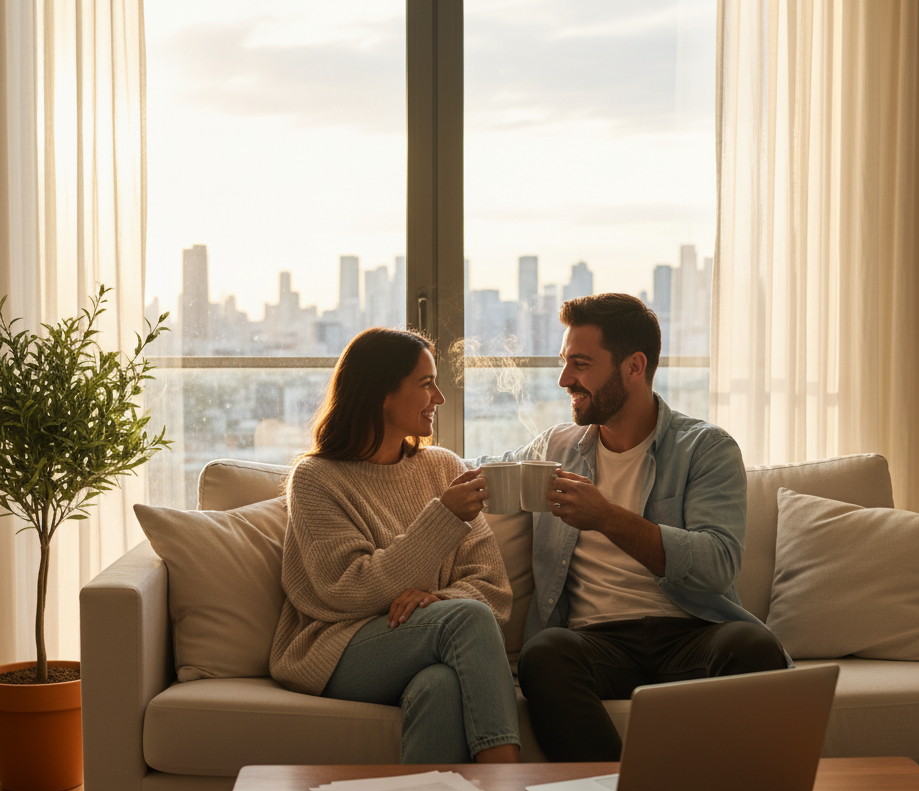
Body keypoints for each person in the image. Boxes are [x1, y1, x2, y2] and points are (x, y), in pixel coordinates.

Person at [484, 293, 788, 762]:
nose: (565, 379)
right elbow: (486, 471)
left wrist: (606, 515)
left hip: (690, 633)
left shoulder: (705, 449)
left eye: (580, 364)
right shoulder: (557, 449)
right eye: (565, 363)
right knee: (544, 655)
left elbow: (717, 563)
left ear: (634, 366)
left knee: (753, 646)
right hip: (597, 642)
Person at [270, 327, 520, 764]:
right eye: (426, 384)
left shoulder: (444, 468)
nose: (439, 398)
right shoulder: (316, 479)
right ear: (383, 393)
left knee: (440, 686)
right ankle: (508, 784)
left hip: (423, 641)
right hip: (338, 649)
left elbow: (492, 588)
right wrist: (442, 519)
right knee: (466, 619)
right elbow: (347, 589)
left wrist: (436, 600)